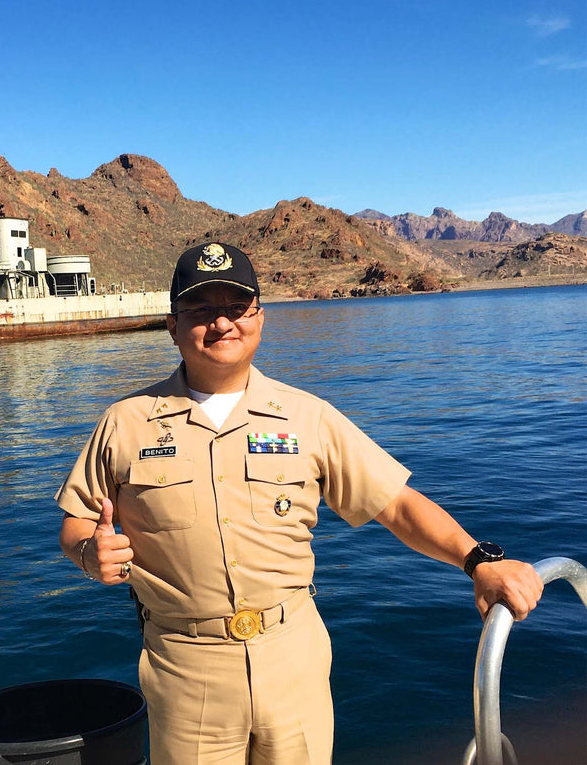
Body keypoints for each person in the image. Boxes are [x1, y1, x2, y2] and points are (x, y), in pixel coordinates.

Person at [55, 242, 544, 765]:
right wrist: (89, 553)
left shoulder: (307, 418)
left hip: (293, 659)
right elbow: (78, 519)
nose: (221, 323)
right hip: (184, 666)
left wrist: (478, 562)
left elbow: (395, 505)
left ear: (259, 318)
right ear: (172, 326)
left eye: (236, 308)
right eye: (200, 310)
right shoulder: (125, 422)